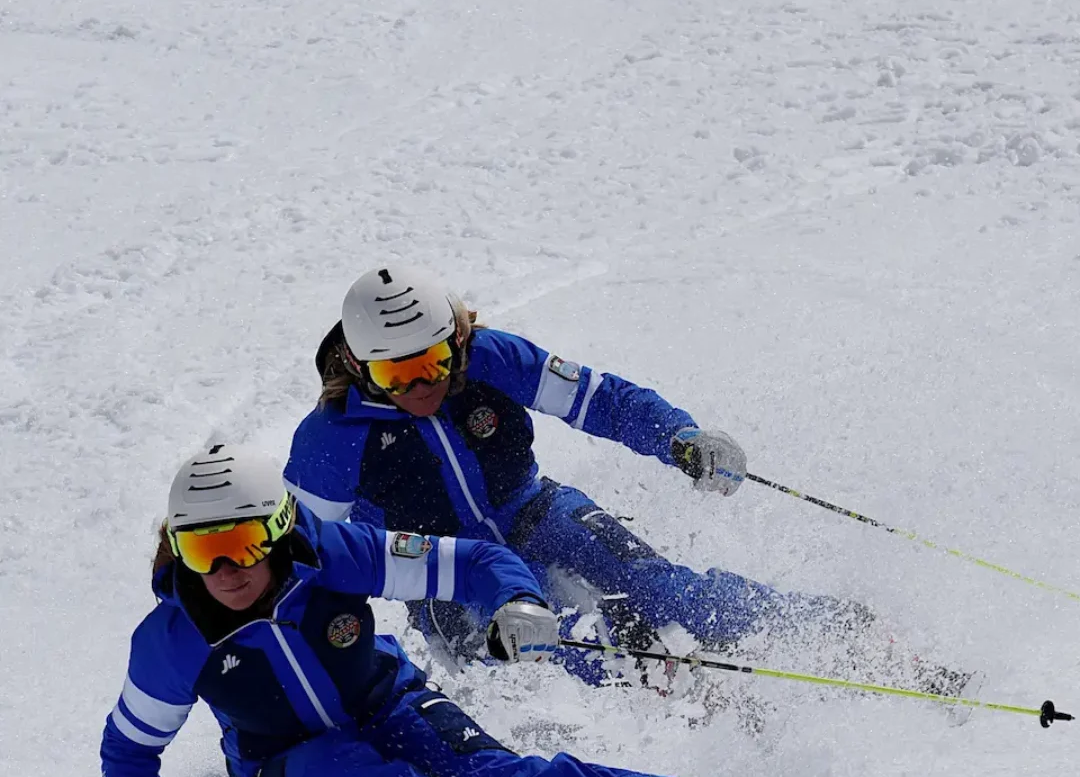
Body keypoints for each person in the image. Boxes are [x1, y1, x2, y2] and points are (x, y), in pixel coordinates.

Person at [101, 444, 868, 777]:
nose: (225, 569)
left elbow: (463, 563)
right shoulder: (172, 640)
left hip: (386, 701)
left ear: (278, 529)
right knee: (354, 775)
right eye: (203, 549)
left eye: (240, 544)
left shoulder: (334, 554)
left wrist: (514, 602)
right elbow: (130, 751)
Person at [283, 264, 969, 699]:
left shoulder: (492, 360)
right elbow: (302, 558)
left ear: (456, 340)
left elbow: (597, 400)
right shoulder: (333, 438)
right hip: (447, 575)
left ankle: (851, 636)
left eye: (432, 361)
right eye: (396, 376)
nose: (423, 386)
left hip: (537, 513)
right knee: (573, 649)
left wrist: (680, 439)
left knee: (670, 596)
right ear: (361, 365)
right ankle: (716, 705)